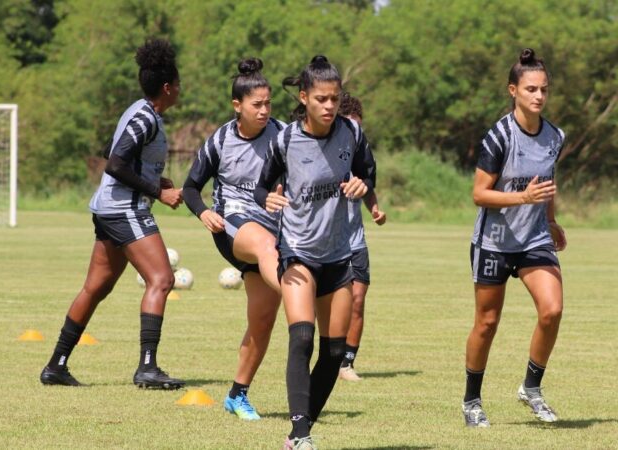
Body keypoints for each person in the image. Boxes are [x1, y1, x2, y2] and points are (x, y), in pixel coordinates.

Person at [40, 38, 185, 389]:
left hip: (109, 208)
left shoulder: (140, 111)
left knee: (95, 287)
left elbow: (112, 149)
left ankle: (56, 365)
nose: (181, 90)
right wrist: (157, 190)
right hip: (124, 209)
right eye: (178, 85)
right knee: (162, 279)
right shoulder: (146, 116)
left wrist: (152, 174)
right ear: (167, 88)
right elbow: (116, 163)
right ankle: (147, 367)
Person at [254, 55, 376, 450]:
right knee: (301, 339)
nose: (329, 107)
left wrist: (362, 186)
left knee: (334, 352)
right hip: (298, 251)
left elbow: (367, 173)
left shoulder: (352, 135)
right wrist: (268, 199)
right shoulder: (285, 140)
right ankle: (304, 435)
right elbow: (261, 186)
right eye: (321, 99)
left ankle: (296, 432)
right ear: (304, 97)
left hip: (340, 254)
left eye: (335, 99)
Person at [462, 48, 568, 427]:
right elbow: (479, 194)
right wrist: (522, 197)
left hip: (534, 238)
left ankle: (532, 388)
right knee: (487, 323)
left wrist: (551, 220)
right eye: (530, 89)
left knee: (552, 309)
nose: (538, 96)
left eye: (544, 89)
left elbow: (547, 184)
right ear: (513, 91)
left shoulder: (555, 135)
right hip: (493, 241)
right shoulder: (498, 136)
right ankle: (472, 400)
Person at [182, 57, 284, 420]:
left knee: (263, 319)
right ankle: (299, 296)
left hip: (275, 227)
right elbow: (191, 187)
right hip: (233, 228)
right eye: (256, 104)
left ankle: (237, 395)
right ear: (237, 105)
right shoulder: (221, 140)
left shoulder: (283, 134)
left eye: (268, 103)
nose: (264, 110)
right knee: (264, 246)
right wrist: (203, 211)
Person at [336, 92, 386, 382]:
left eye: (359, 127)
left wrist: (375, 208)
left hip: (356, 239)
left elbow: (367, 183)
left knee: (358, 299)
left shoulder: (359, 152)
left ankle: (347, 363)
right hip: (326, 242)